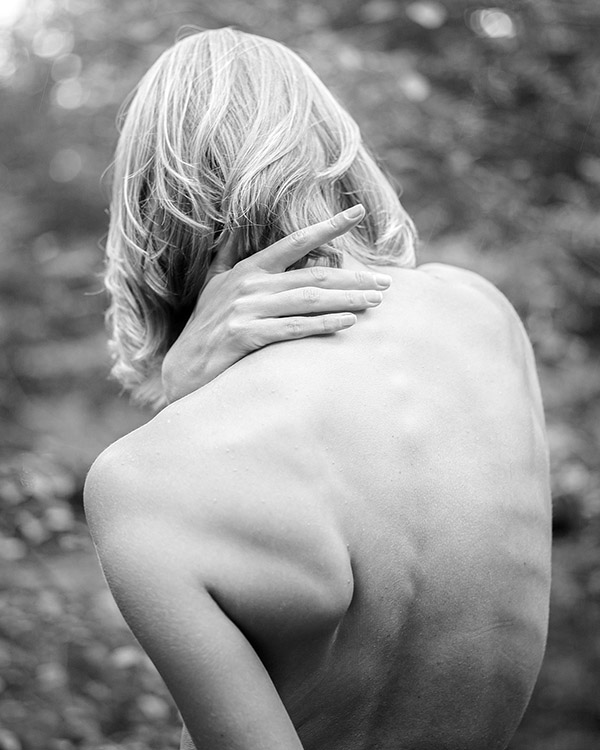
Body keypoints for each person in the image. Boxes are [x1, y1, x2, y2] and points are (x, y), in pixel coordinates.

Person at [84, 28, 552, 750]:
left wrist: (179, 396)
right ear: (335, 153)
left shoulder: (141, 481)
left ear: (152, 209)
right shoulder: (482, 316)